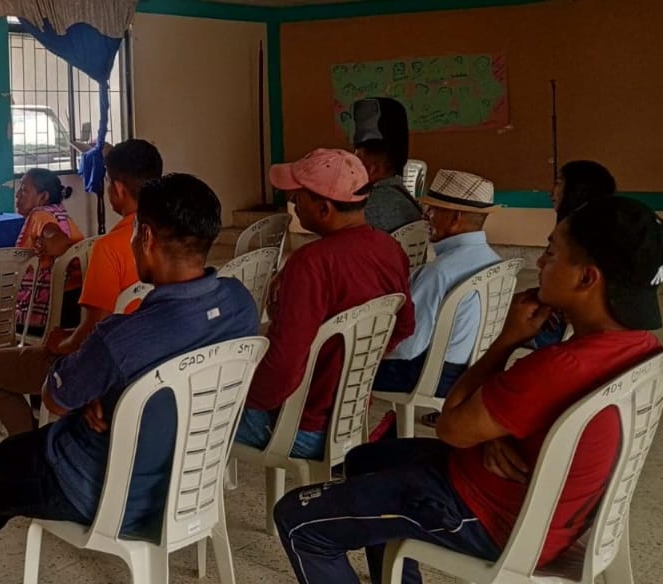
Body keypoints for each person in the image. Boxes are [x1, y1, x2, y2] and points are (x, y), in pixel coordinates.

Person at [0, 173, 260, 583]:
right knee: (3, 477)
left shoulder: (122, 338)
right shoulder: (239, 305)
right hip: (188, 485)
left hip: (101, 487)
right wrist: (117, 393)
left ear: (147, 236)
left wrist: (97, 389)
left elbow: (54, 398)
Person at [273, 196, 663, 584]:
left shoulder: (560, 366)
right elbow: (503, 419)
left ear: (586, 279)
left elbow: (451, 428)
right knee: (364, 460)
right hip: (538, 509)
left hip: (488, 516)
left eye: (551, 252)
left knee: (297, 519)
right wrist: (490, 433)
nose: (541, 264)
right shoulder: (640, 346)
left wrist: (506, 340)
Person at [0, 139, 162, 435]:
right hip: (146, 355)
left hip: (105, 362)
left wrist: (59, 343)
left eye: (107, 181)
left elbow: (90, 334)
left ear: (118, 189)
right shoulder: (169, 237)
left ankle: (31, 445)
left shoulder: (109, 247)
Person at [236, 148, 415, 458]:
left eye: (298, 197)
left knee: (192, 414)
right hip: (351, 418)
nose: (293, 203)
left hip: (301, 429)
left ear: (324, 208)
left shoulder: (312, 263)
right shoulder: (390, 249)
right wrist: (349, 363)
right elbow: (405, 325)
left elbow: (284, 367)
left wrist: (243, 395)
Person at [374, 170, 501, 399]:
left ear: (455, 218)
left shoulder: (439, 272)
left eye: (434, 210)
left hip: (432, 376)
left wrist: (369, 354)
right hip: (473, 371)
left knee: (341, 370)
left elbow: (408, 346)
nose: (426, 216)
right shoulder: (495, 261)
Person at [529, 161, 618, 349]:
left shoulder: (578, 234)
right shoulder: (598, 225)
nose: (551, 193)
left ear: (577, 189)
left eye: (558, 183)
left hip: (551, 333)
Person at [13, 167, 84, 335]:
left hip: (48, 312)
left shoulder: (39, 215)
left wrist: (51, 244)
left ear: (43, 197)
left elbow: (59, 242)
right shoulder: (62, 215)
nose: (17, 195)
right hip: (76, 304)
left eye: (24, 190)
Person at [351, 97, 422, 232]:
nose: (351, 166)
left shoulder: (372, 207)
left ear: (373, 169)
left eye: (356, 158)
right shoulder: (400, 195)